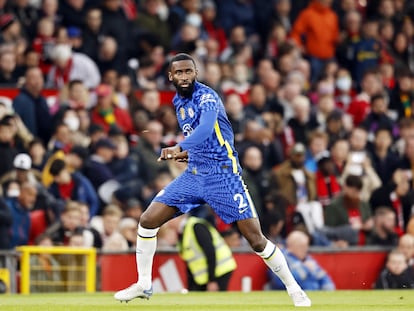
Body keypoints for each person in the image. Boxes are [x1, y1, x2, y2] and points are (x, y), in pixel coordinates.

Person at [114, 53, 311, 307]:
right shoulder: (178, 101)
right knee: (147, 220)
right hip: (195, 175)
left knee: (256, 239)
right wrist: (187, 153)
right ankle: (144, 283)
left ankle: (294, 289)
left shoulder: (206, 97)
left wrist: (179, 146)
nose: (184, 77)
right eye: (179, 72)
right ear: (170, 76)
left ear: (195, 73)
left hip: (223, 176)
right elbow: (204, 140)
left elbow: (206, 128)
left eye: (189, 71)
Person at [174, 214, 237, 292]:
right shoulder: (184, 231)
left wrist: (212, 280)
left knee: (217, 301)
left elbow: (210, 251)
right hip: (203, 276)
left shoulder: (196, 226)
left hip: (220, 271)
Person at [268, 230, 335, 291]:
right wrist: (306, 269)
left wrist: (328, 289)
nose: (305, 250)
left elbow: (323, 277)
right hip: (293, 296)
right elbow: (278, 282)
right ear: (291, 246)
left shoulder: (308, 259)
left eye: (306, 246)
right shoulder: (280, 258)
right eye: (302, 246)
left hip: (315, 294)